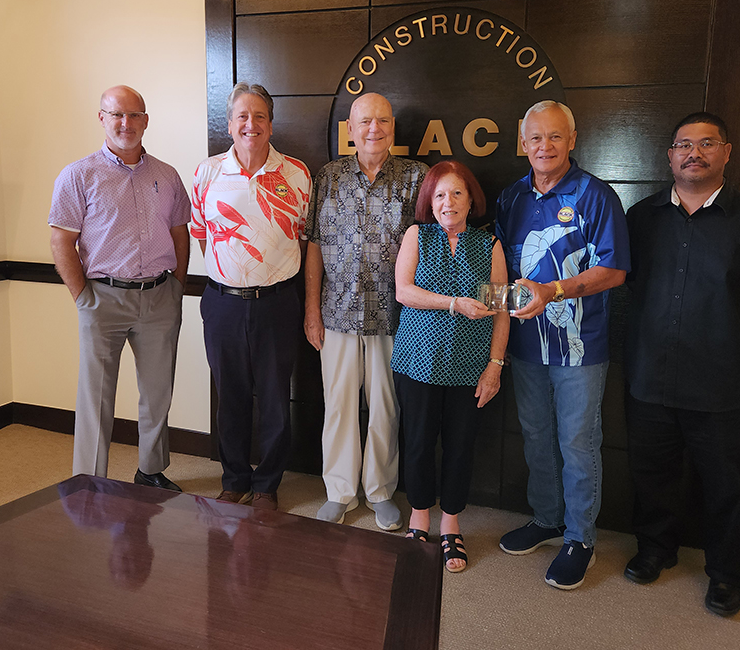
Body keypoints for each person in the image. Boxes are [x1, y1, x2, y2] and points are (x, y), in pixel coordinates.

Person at [623, 112, 740, 617]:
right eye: (683, 144)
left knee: (726, 484)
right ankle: (655, 550)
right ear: (670, 156)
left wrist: (734, 315)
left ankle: (726, 575)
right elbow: (622, 279)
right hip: (650, 374)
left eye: (706, 144)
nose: (693, 153)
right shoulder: (639, 218)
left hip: (724, 381)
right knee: (652, 473)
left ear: (727, 152)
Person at [495, 100, 630, 590]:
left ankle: (581, 538)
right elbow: (501, 271)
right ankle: (548, 518)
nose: (544, 147)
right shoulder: (511, 198)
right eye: (535, 138)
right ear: (523, 143)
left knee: (577, 441)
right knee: (535, 435)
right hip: (526, 345)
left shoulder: (596, 196)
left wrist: (553, 290)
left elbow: (614, 270)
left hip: (580, 346)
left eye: (555, 137)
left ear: (572, 140)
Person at [49, 85, 190, 491]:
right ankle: (90, 481)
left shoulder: (167, 175)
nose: (125, 123)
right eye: (116, 115)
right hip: (103, 298)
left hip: (160, 296)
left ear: (145, 120)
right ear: (102, 118)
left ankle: (151, 470)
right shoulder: (79, 175)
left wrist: (176, 288)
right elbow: (62, 240)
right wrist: (83, 298)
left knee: (158, 392)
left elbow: (180, 234)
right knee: (96, 397)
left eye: (133, 115)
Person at [304, 93, 427, 531]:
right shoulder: (329, 176)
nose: (374, 129)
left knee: (385, 408)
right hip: (336, 314)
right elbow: (314, 244)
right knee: (337, 407)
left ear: (393, 127)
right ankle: (339, 490)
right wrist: (311, 309)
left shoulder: (417, 178)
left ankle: (379, 492)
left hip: (395, 317)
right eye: (365, 122)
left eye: (382, 121)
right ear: (350, 130)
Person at [191, 82, 311, 512]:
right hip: (222, 302)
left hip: (277, 302)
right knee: (231, 395)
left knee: (277, 397)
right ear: (229, 124)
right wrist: (233, 275)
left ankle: (266, 486)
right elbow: (203, 237)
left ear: (271, 124)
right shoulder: (207, 174)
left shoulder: (296, 174)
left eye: (259, 116)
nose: (250, 124)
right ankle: (235, 478)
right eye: (242, 116)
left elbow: (302, 238)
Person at [391, 161, 510, 573]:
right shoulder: (416, 235)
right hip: (417, 362)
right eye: (440, 194)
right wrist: (454, 302)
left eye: (457, 193)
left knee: (460, 447)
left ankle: (451, 524)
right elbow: (403, 291)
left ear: (471, 199)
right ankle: (419, 514)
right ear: (430, 201)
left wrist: (494, 366)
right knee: (419, 441)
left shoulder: (489, 244)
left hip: (470, 366)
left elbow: (500, 311)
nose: (448, 202)